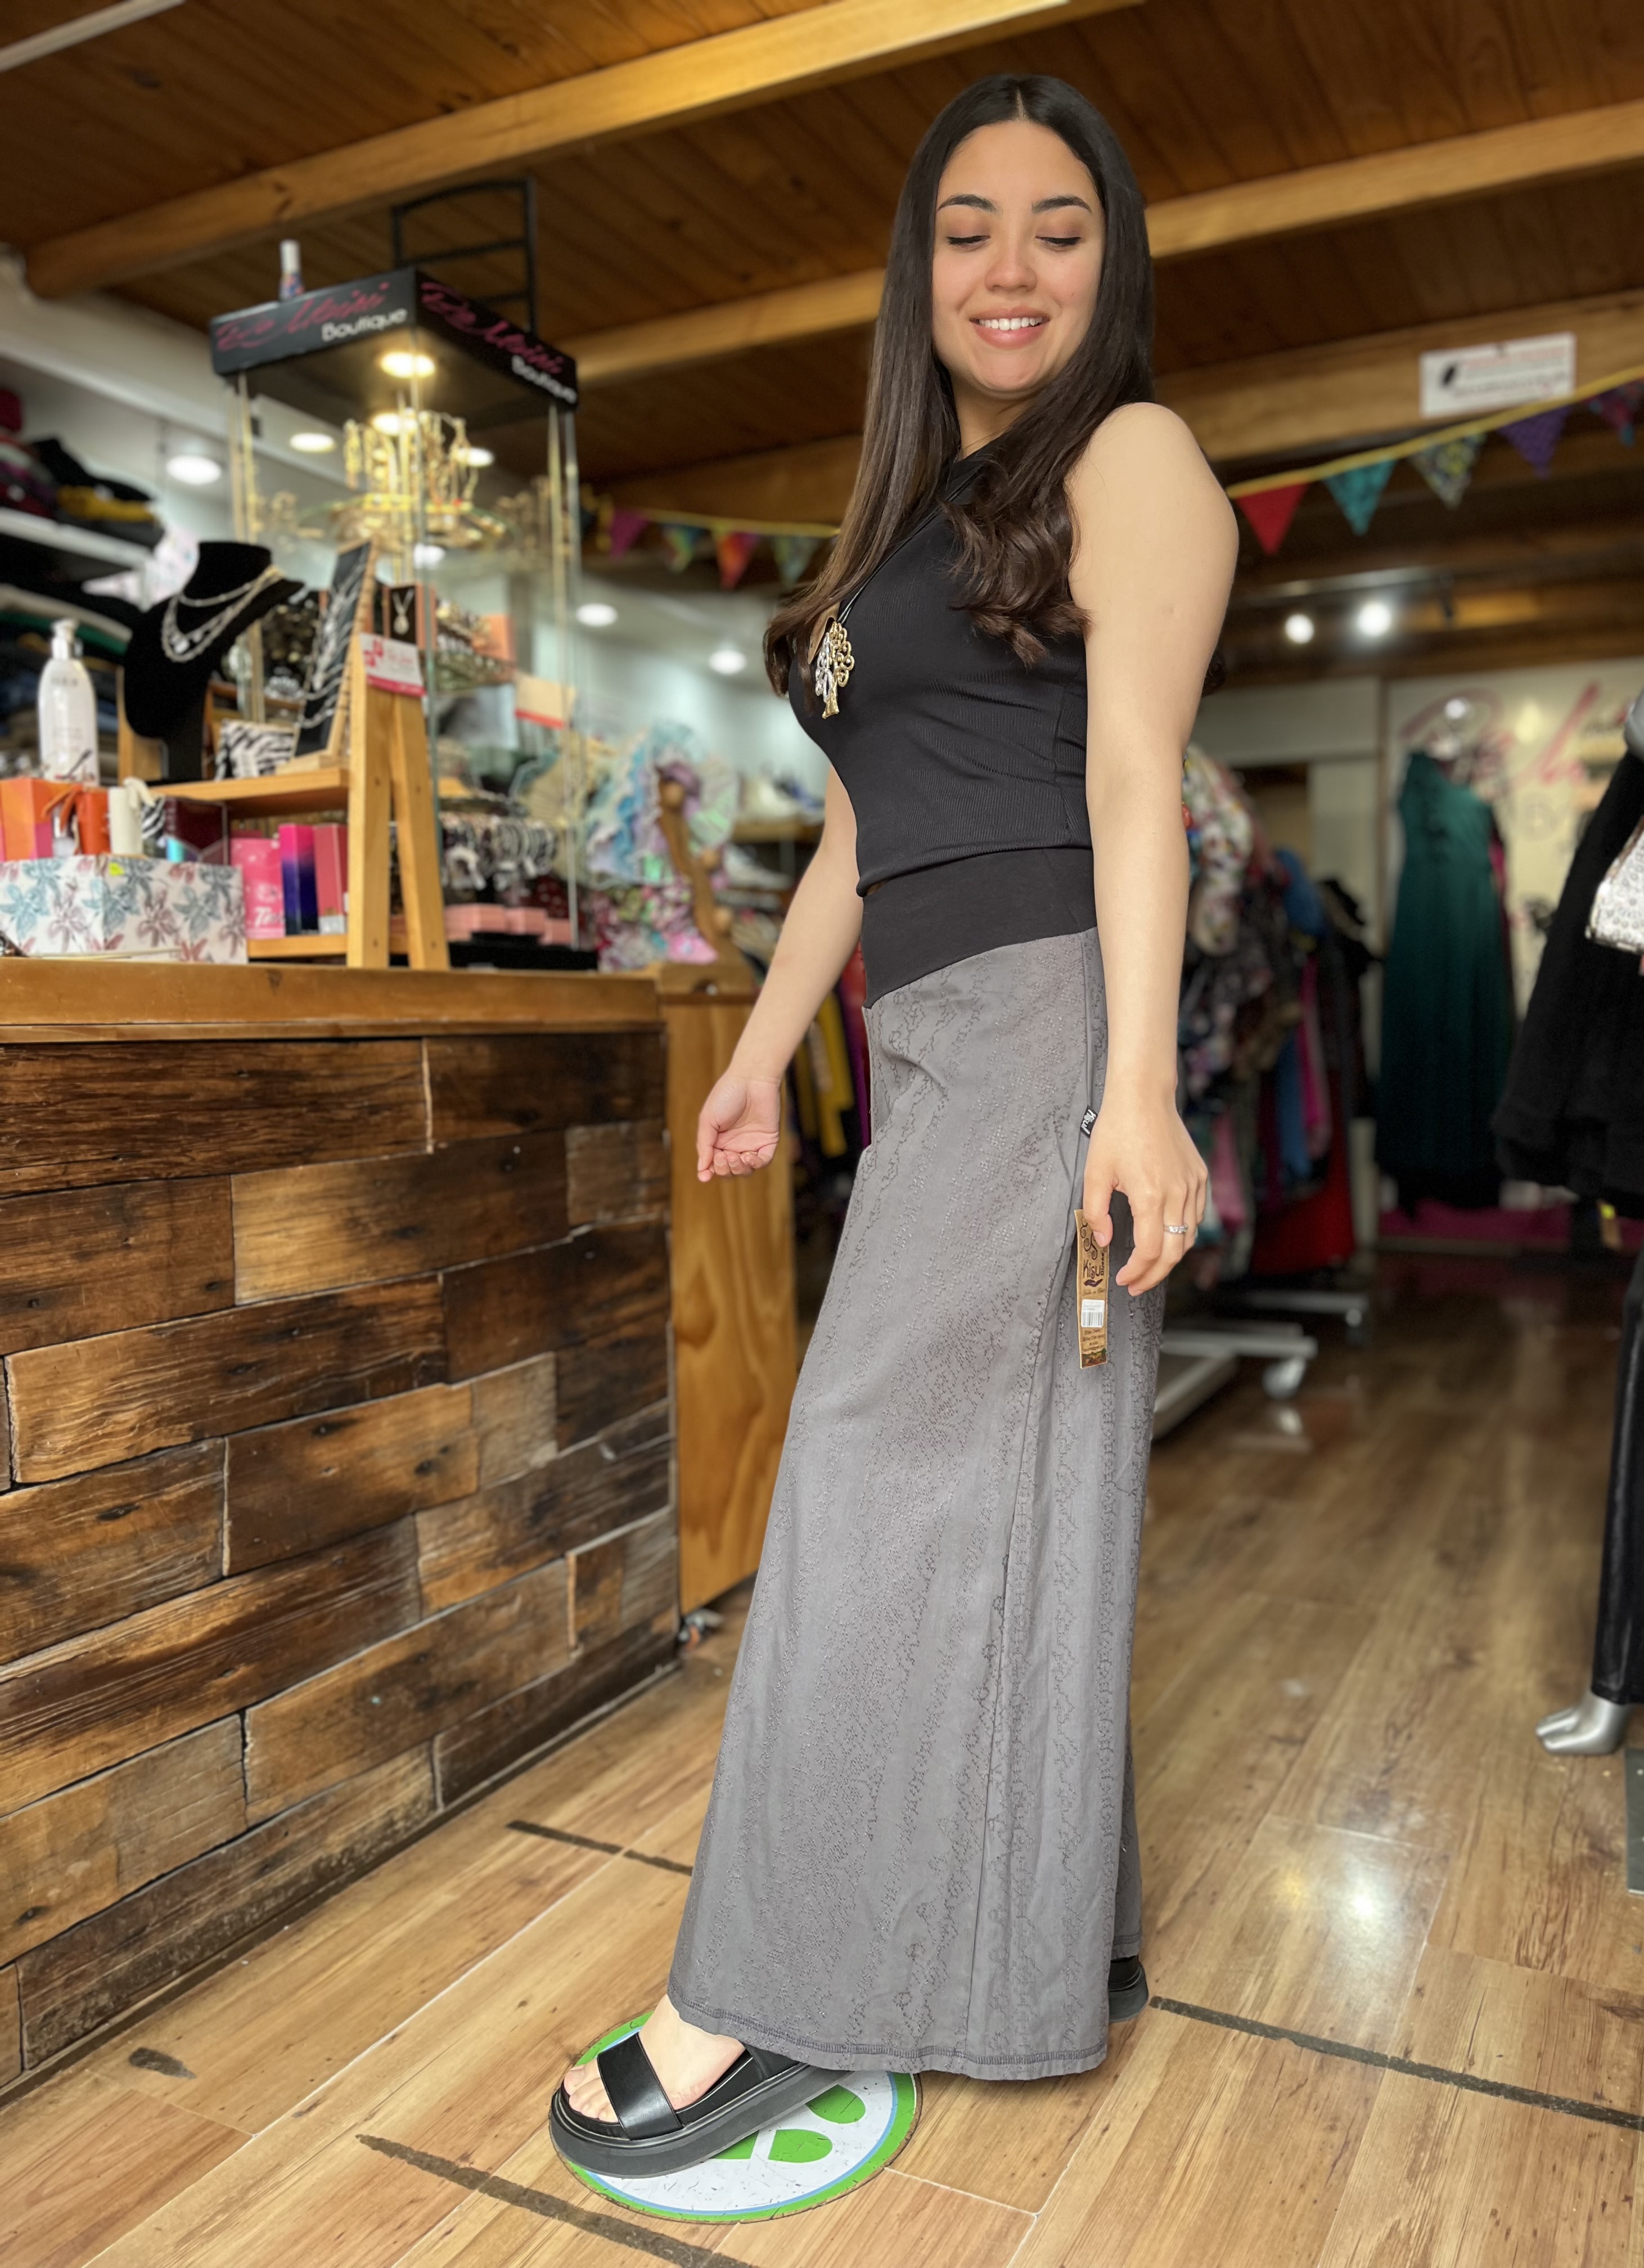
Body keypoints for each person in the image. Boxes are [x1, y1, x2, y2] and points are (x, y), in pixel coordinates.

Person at [551, 71, 1236, 2177]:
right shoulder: (929, 512)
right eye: (968, 228)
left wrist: (1139, 1091)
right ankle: (1042, 1939)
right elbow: (863, 825)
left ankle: (764, 1997)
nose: (1010, 268)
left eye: (1058, 227)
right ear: (916, 266)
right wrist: (764, 1050)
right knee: (991, 1486)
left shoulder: (1131, 455)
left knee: (865, 1476)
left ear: (1113, 260)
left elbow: (1133, 783)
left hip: (1047, 1023)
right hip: (934, 1033)